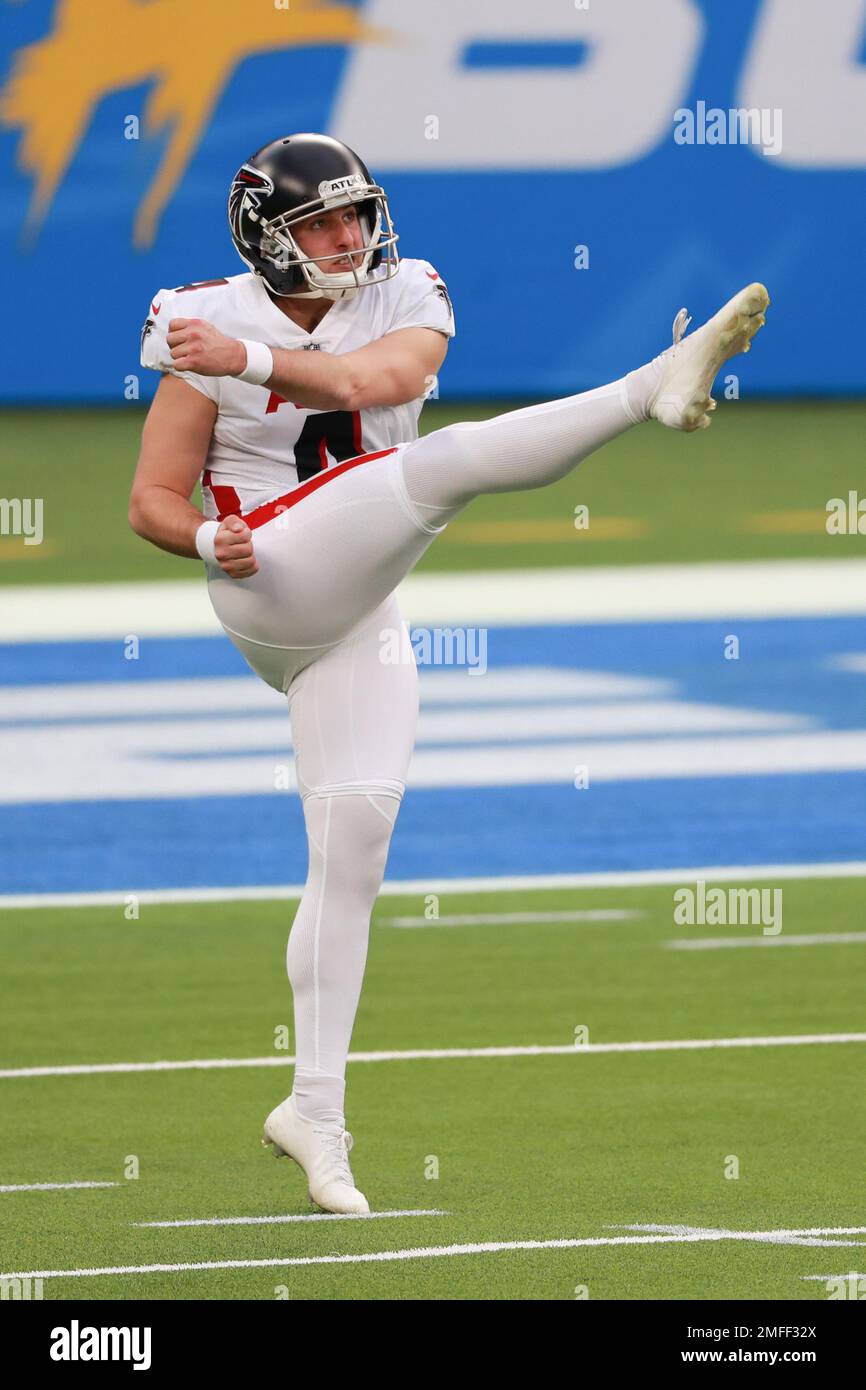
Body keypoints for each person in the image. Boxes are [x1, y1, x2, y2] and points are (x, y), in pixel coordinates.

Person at [130, 130, 769, 1217]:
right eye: (322, 222)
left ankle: (313, 1114)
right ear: (266, 241)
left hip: (361, 602)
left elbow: (379, 377)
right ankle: (644, 389)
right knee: (441, 466)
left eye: (357, 212)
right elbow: (151, 495)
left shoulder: (404, 291)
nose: (350, 235)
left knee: (355, 839)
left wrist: (253, 364)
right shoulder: (206, 315)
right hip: (268, 581)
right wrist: (199, 541)